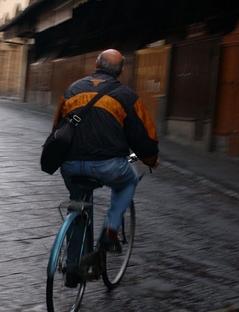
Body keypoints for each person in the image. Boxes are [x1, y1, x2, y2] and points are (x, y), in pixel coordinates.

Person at [52, 49, 159, 287]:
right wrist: (151, 160)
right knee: (129, 181)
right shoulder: (127, 96)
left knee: (78, 206)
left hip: (69, 165)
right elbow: (144, 137)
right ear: (121, 71)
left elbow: (57, 128)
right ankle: (110, 230)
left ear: (95, 64)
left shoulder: (71, 90)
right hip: (107, 165)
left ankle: (72, 269)